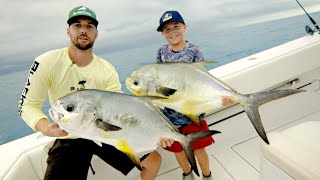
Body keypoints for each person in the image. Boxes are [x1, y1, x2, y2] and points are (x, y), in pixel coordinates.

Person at [18, 6, 166, 180]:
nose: (83, 30)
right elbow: (27, 106)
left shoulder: (106, 69)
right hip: (69, 134)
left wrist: (153, 132)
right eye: (77, 25)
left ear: (96, 33)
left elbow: (119, 109)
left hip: (104, 133)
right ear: (68, 31)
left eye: (89, 26)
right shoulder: (46, 62)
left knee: (153, 161)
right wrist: (47, 129)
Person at [155, 10, 214, 180]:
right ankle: (188, 175)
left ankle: (207, 175)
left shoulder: (195, 50)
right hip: (171, 114)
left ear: (184, 27)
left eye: (176, 26)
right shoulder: (161, 52)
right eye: (167, 29)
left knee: (199, 149)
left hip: (192, 113)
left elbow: (204, 79)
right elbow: (158, 78)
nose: (172, 31)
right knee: (178, 150)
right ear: (163, 34)